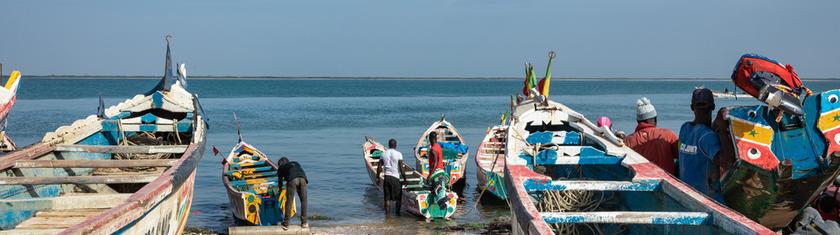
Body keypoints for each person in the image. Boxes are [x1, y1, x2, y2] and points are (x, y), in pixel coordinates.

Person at [678, 88, 723, 202]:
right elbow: (724, 161)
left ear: (692, 107)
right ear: (712, 107)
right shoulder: (708, 136)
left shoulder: (685, 128)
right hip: (708, 198)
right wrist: (722, 128)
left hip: (688, 195)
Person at [624, 97, 680, 175]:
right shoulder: (668, 135)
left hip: (641, 181)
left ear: (638, 121)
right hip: (666, 181)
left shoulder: (627, 141)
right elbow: (682, 156)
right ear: (655, 119)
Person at [376, 139, 406, 216]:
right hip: (395, 178)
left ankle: (387, 216)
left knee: (387, 198)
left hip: (387, 178)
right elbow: (401, 168)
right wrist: (405, 179)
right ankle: (397, 214)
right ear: (395, 145)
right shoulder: (399, 154)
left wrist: (378, 177)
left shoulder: (383, 154)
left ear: (388, 145)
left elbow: (379, 167)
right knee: (398, 198)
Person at [277, 157, 308, 230]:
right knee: (304, 201)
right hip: (303, 179)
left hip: (292, 180)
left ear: (280, 164)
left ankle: (286, 223)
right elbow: (298, 170)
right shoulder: (295, 162)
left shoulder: (281, 167)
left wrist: (280, 189)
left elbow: (280, 181)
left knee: (289, 202)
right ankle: (304, 222)